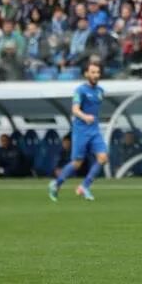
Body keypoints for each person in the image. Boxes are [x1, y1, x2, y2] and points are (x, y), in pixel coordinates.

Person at [48, 61, 108, 201]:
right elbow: (75, 109)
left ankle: (84, 186)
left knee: (103, 158)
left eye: (97, 72)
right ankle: (56, 184)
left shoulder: (100, 91)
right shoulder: (80, 90)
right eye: (92, 72)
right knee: (77, 163)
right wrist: (85, 116)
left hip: (94, 130)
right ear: (86, 74)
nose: (95, 75)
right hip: (81, 131)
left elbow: (95, 110)